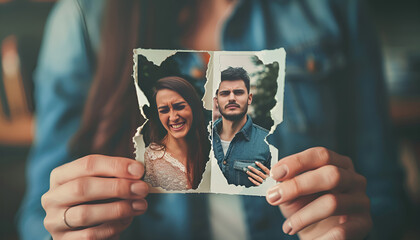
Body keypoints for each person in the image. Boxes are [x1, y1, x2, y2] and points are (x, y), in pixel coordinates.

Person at [17, 0, 407, 239]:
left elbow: (383, 195)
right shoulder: (84, 18)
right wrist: (68, 225)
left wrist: (355, 224)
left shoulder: (335, 8)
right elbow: (39, 216)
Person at [143, 76, 209, 190]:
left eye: (179, 107)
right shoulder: (149, 160)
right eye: (164, 110)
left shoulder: (211, 150)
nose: (173, 117)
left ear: (193, 107)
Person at [213, 67, 271, 187]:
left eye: (238, 92)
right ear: (217, 101)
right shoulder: (200, 139)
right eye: (225, 93)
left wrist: (271, 184)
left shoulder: (269, 143)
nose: (232, 98)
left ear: (249, 98)